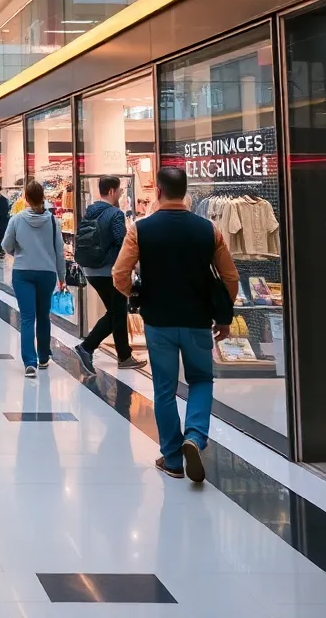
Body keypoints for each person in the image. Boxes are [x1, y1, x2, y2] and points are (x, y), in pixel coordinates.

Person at [113, 166, 238, 483]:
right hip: (198, 322)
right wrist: (224, 315)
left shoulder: (140, 230)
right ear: (186, 194)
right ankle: (194, 438)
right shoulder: (208, 230)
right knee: (201, 380)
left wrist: (136, 293)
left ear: (158, 193)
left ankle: (171, 458)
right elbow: (230, 277)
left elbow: (119, 275)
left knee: (165, 390)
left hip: (159, 322)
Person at [74, 176, 146, 374]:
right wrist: (131, 267)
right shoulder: (115, 214)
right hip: (109, 270)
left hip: (91, 269)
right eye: (120, 190)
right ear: (112, 191)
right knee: (116, 312)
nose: (122, 194)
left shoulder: (90, 211)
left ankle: (124, 355)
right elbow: (122, 243)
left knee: (116, 312)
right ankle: (87, 347)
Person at [1, 179, 64, 378]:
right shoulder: (54, 221)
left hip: (23, 272)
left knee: (28, 317)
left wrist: (17, 252)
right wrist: (62, 277)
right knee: (44, 316)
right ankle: (44, 356)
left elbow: (6, 245)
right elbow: (59, 252)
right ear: (43, 197)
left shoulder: (17, 219)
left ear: (26, 199)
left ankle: (30, 361)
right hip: (47, 273)